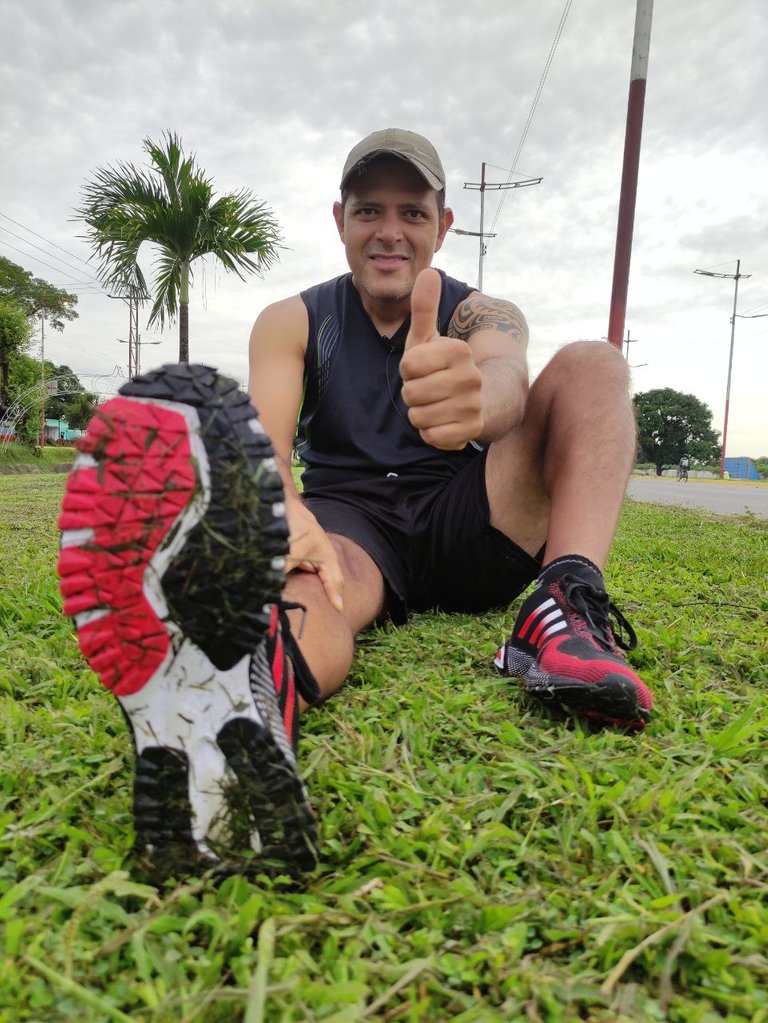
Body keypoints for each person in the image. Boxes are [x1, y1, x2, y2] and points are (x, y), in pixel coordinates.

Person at [58, 128, 652, 880]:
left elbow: (507, 369)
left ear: (443, 226)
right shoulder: (293, 320)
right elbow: (269, 447)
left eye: (412, 211)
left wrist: (478, 400)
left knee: (595, 365)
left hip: (472, 515)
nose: (390, 231)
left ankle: (564, 607)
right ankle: (244, 698)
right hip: (353, 525)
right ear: (339, 219)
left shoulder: (480, 312)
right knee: (309, 581)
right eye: (370, 210)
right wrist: (287, 511)